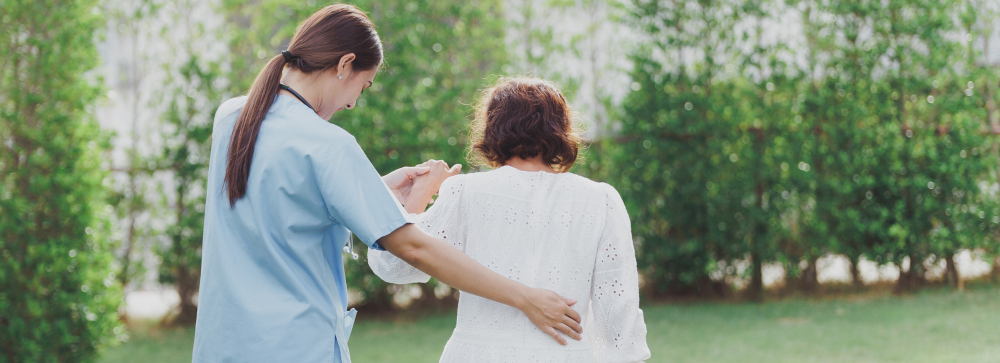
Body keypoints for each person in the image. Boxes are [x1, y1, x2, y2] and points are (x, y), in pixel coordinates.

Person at [192, 6, 581, 362]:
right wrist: (525, 298)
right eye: (364, 86)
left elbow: (276, 204)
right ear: (345, 64)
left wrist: (373, 189)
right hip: (295, 347)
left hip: (223, 345)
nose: (352, 104)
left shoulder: (232, 117)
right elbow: (414, 248)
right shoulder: (328, 145)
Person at [369, 76, 651, 362]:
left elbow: (394, 266)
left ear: (493, 128)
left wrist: (419, 194)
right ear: (561, 129)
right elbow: (619, 315)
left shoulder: (466, 192)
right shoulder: (601, 200)